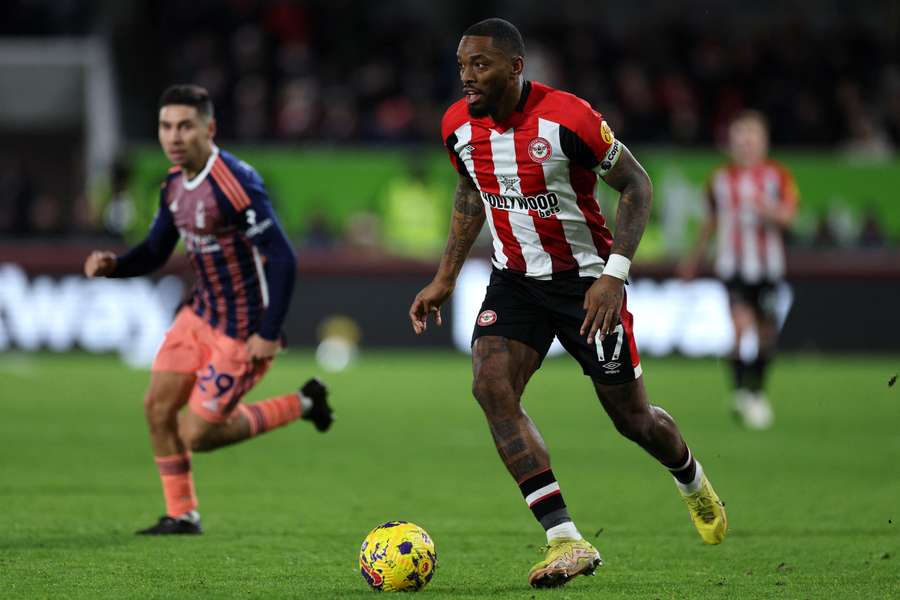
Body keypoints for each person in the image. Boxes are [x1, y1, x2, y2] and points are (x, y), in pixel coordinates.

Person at [409, 18, 727, 589]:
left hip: (587, 286)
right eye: (461, 66)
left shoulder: (570, 119)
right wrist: (445, 276)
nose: (467, 79)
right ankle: (565, 538)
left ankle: (690, 479)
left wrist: (615, 274)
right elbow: (468, 189)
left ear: (515, 67)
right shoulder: (457, 126)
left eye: (479, 65)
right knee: (490, 384)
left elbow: (637, 185)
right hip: (515, 281)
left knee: (632, 420)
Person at [84, 84, 334, 535]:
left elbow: (282, 256)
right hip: (199, 317)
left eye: (185, 126)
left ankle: (302, 403)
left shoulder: (236, 183)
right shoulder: (174, 185)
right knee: (158, 410)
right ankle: (182, 514)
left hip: (242, 331)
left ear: (209, 128)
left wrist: (268, 331)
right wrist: (115, 266)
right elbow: (158, 250)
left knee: (196, 435)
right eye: (165, 126)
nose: (173, 136)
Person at [681, 110, 798, 429]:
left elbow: (790, 218)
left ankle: (756, 392)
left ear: (763, 142)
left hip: (768, 269)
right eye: (740, 137)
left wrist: (768, 210)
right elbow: (710, 221)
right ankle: (739, 394)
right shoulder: (719, 180)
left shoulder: (778, 177)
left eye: (751, 137)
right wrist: (694, 259)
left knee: (766, 335)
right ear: (731, 143)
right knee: (739, 327)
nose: (745, 144)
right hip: (732, 267)